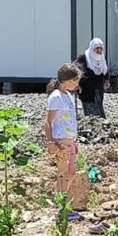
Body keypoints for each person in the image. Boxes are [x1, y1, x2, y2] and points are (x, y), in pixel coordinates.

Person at [44, 63, 82, 197]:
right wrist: (50, 142)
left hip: (70, 140)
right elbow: (48, 121)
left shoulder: (68, 96)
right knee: (63, 172)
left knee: (71, 172)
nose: (78, 84)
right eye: (76, 80)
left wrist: (74, 140)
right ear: (69, 80)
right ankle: (58, 204)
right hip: (61, 142)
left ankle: (61, 198)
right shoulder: (56, 97)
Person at [73, 38, 110, 118]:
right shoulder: (84, 58)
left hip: (98, 90)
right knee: (91, 114)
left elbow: (105, 72)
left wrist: (106, 81)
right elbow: (75, 71)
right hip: (86, 90)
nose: (99, 50)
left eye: (101, 48)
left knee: (100, 111)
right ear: (92, 48)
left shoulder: (102, 59)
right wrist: (76, 84)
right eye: (97, 48)